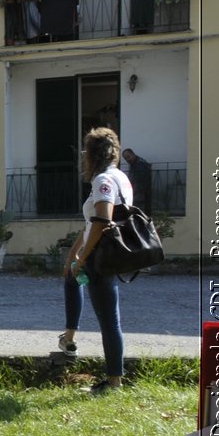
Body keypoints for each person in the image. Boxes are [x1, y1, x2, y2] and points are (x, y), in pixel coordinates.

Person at [59, 127, 133, 393]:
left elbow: (102, 221)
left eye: (85, 151)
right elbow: (91, 223)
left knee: (109, 320)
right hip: (104, 253)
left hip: (101, 257)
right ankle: (69, 338)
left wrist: (83, 257)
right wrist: (73, 254)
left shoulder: (103, 180)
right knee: (72, 281)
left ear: (92, 153)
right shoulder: (120, 178)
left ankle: (113, 382)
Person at [121, 147, 152, 214]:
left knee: (138, 215)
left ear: (133, 154)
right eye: (126, 158)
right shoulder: (135, 164)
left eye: (128, 156)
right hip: (138, 195)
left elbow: (140, 183)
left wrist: (132, 193)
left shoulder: (140, 164)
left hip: (140, 196)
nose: (127, 159)